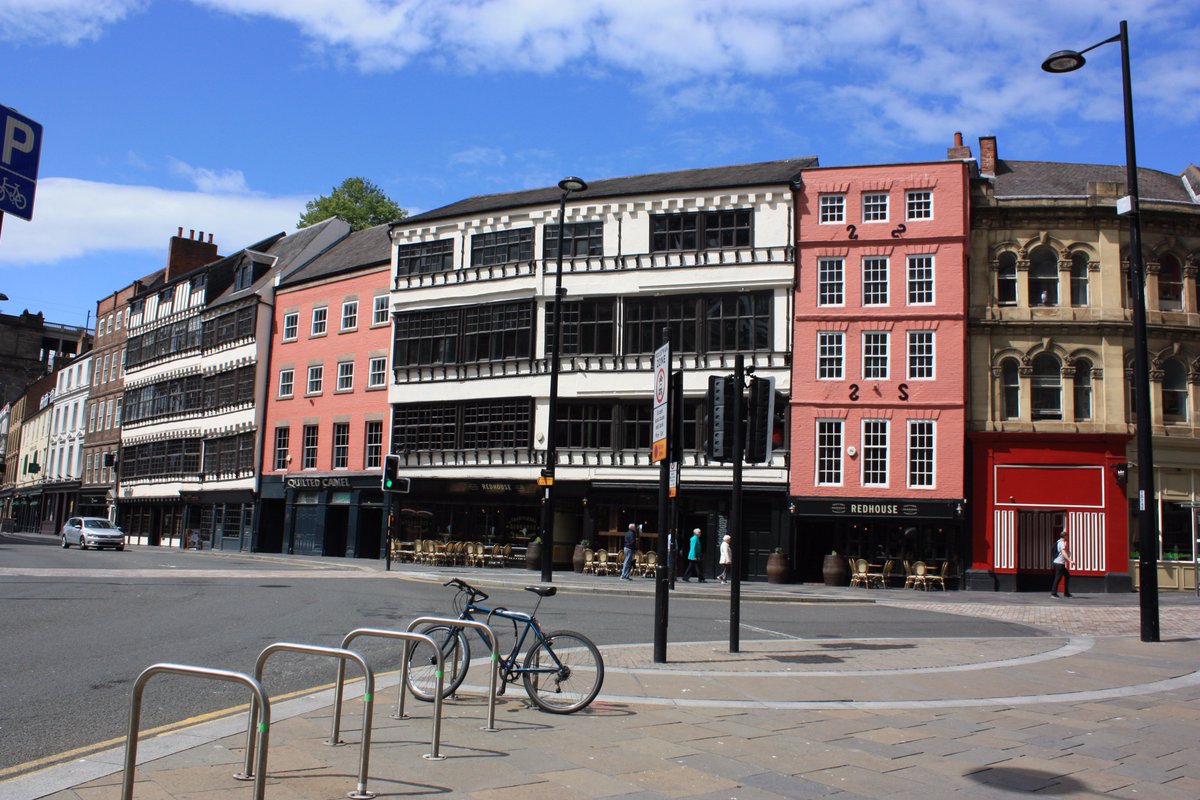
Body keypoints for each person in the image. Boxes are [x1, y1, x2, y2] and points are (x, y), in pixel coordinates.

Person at [1051, 529, 1074, 598]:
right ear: (1065, 536)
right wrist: (1070, 560)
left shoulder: (1058, 541)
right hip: (1059, 563)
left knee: (1066, 576)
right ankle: (1054, 593)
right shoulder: (1062, 543)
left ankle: (1066, 593)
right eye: (1067, 536)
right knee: (1058, 578)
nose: (1068, 537)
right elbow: (1063, 552)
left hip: (1058, 562)